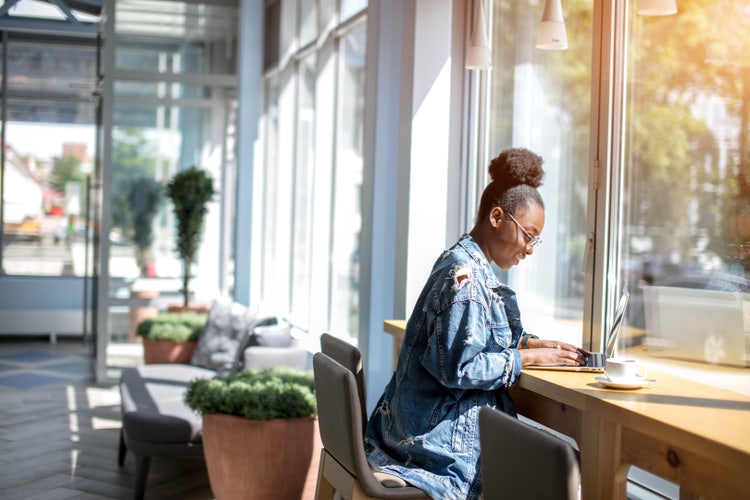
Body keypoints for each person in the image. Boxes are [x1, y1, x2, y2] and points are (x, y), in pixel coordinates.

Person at [365, 147, 589, 499]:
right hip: (432, 446)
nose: (530, 249)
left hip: (410, 429)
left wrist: (529, 344)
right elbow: (459, 367)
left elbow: (478, 337)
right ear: (497, 217)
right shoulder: (466, 281)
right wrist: (525, 360)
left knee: (560, 459)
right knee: (569, 467)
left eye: (535, 240)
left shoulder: (465, 261)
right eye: (528, 235)